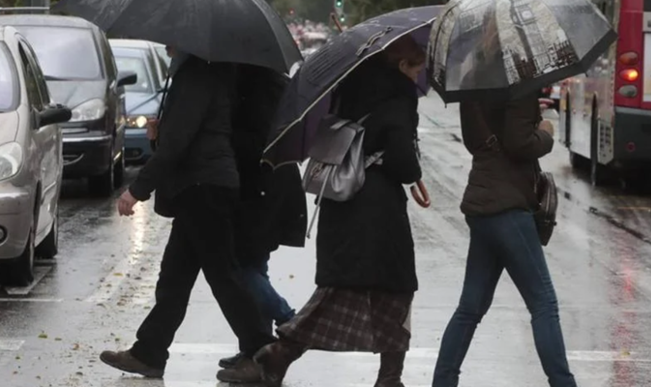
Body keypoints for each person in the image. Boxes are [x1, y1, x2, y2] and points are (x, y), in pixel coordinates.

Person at [254, 36, 430, 387]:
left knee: (343, 287)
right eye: (416, 68)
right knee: (393, 289)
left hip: (342, 202)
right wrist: (413, 176)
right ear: (401, 66)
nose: (417, 77)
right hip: (377, 210)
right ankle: (384, 375)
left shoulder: (349, 88)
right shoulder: (398, 98)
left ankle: (287, 353)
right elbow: (398, 156)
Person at [100, 52, 274, 383]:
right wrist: (159, 134)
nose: (167, 44)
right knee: (174, 279)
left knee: (223, 276)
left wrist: (137, 189)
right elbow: (188, 132)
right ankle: (149, 352)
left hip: (203, 186)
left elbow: (180, 140)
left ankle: (262, 353)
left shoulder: (197, 73)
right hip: (198, 185)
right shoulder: (205, 70)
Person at [431, 93, 577, 387]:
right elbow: (520, 144)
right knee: (543, 303)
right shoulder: (518, 87)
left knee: (470, 308)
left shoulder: (473, 85)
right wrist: (545, 132)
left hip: (482, 202)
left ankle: (443, 382)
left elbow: (479, 141)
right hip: (508, 208)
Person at [218, 64, 306, 370]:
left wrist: (224, 133)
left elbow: (256, 141)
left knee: (241, 268)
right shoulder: (273, 82)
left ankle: (291, 322)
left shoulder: (257, 88)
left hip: (260, 188)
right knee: (255, 264)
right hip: (271, 186)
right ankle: (259, 347)